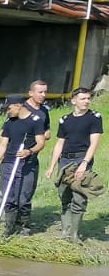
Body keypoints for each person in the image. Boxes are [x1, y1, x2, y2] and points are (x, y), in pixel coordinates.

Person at [45, 87, 104, 242]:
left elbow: (94, 143)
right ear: (74, 101)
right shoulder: (65, 120)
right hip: (64, 161)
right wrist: (51, 166)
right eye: (83, 98)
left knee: (79, 196)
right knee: (64, 195)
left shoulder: (94, 117)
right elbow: (59, 143)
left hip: (81, 160)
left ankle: (74, 235)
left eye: (88, 98)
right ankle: (65, 232)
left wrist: (84, 163)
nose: (86, 101)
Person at [0, 94, 45, 238]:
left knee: (23, 198)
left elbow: (41, 142)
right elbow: (3, 145)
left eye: (9, 108)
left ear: (19, 105)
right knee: (9, 197)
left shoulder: (35, 121)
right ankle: (9, 227)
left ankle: (23, 226)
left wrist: (29, 151)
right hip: (9, 163)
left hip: (26, 163)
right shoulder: (9, 122)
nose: (7, 111)